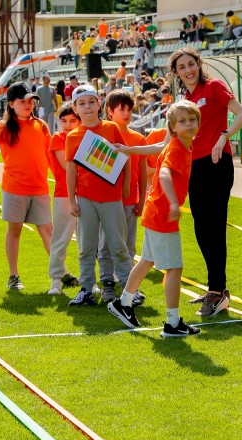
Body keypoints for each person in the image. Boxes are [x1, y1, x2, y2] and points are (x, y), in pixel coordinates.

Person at [119, 48, 242, 316]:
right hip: (195, 168)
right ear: (176, 73)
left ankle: (217, 291)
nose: (188, 70)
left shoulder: (214, 87)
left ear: (199, 65)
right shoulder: (185, 102)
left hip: (217, 163)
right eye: (182, 67)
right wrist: (128, 149)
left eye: (191, 64)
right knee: (202, 230)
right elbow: (165, 145)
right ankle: (216, 288)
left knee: (214, 228)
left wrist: (223, 137)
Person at [107, 101, 202, 337]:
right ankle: (172, 323)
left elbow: (158, 148)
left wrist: (128, 150)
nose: (189, 124)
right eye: (182, 121)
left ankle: (124, 303)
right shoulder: (177, 149)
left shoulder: (176, 144)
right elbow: (166, 174)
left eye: (192, 120)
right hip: (162, 214)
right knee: (174, 268)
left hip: (154, 211)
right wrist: (173, 202)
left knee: (146, 261)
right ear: (173, 127)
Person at [65, 84, 132, 306]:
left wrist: (125, 186)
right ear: (75, 108)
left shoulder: (111, 128)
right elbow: (71, 170)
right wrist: (72, 200)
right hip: (85, 199)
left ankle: (129, 289)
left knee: (118, 245)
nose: (87, 107)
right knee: (86, 247)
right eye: (82, 103)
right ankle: (86, 289)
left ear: (98, 103)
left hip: (112, 198)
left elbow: (125, 157)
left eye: (91, 102)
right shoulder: (73, 136)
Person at [0, 82, 53, 291]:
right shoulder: (3, 128)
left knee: (47, 231)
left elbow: (50, 156)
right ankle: (13, 276)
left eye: (31, 101)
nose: (28, 105)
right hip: (14, 188)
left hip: (40, 187)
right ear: (11, 104)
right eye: (23, 101)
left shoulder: (41, 126)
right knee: (15, 231)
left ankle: (60, 271)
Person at [96, 89, 148, 304]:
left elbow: (143, 173)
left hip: (130, 202)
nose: (126, 113)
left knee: (129, 246)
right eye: (121, 109)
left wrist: (141, 200)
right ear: (110, 111)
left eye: (129, 109)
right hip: (108, 201)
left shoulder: (138, 138)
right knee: (106, 245)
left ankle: (129, 287)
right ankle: (107, 284)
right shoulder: (102, 136)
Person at [47, 104, 82, 295]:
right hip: (64, 194)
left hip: (86, 194)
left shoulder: (85, 136)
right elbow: (67, 165)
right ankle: (56, 280)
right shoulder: (58, 138)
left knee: (88, 240)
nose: (68, 125)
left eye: (72, 121)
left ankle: (88, 280)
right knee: (61, 238)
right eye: (64, 121)